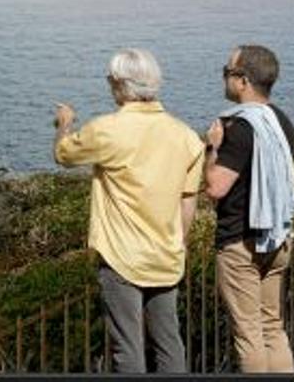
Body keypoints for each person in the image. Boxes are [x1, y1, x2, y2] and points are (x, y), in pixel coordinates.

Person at [53, 48, 204, 373]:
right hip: (166, 254)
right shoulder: (187, 137)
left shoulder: (107, 129)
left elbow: (64, 155)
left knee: (128, 348)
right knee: (169, 343)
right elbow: (188, 200)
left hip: (121, 256)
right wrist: (179, 242)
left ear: (120, 84)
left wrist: (64, 125)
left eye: (110, 80)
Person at [204, 45, 294, 373]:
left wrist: (212, 149)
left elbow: (216, 187)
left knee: (248, 335)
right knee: (272, 328)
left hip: (241, 244)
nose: (224, 79)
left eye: (226, 72)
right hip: (277, 237)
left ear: (243, 80)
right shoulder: (281, 122)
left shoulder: (239, 127)